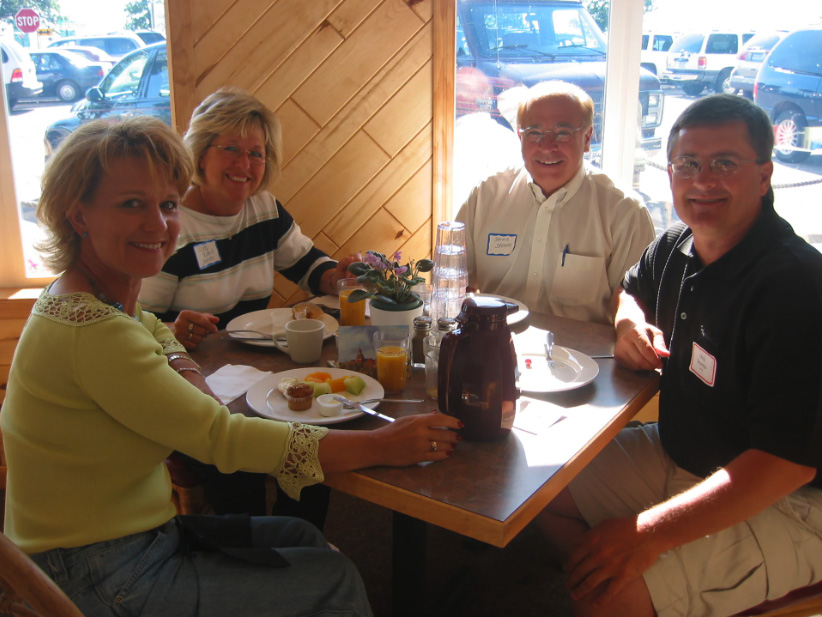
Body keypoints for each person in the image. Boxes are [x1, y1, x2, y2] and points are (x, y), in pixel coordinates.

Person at [1, 116, 461, 617]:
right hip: (97, 567)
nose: (158, 225)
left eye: (168, 204)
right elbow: (223, 440)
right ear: (78, 216)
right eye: (131, 203)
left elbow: (155, 328)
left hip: (130, 536)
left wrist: (187, 376)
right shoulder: (92, 331)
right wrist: (383, 444)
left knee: (298, 532)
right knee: (331, 579)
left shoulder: (93, 296)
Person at [535, 94, 822, 617]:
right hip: (682, 452)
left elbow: (786, 466)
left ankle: (624, 592)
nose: (702, 180)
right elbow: (631, 290)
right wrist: (628, 323)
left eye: (724, 164)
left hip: (790, 500)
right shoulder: (674, 245)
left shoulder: (796, 287)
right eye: (687, 164)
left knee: (608, 595)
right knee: (535, 491)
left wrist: (647, 534)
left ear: (764, 175)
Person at [138, 88, 360, 351]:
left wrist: (337, 278)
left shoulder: (264, 208)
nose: (244, 164)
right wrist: (173, 330)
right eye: (231, 148)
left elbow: (306, 265)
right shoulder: (171, 224)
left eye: (256, 153)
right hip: (190, 363)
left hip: (252, 358)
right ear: (200, 155)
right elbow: (135, 323)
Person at [455, 80, 655, 324]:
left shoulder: (625, 212)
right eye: (535, 133)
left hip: (587, 357)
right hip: (496, 347)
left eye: (563, 133)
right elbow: (455, 282)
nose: (547, 146)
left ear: (587, 137)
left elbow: (636, 305)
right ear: (520, 136)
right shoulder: (486, 195)